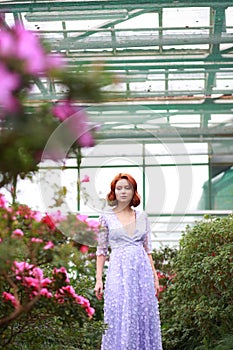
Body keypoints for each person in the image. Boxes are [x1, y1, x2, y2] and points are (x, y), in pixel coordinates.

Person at [94, 173, 163, 350]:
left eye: (127, 188)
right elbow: (101, 251)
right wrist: (98, 279)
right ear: (113, 192)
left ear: (134, 192)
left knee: (143, 316)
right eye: (119, 188)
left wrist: (155, 277)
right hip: (118, 272)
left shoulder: (142, 216)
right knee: (119, 315)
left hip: (142, 274)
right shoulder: (106, 217)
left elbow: (148, 250)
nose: (123, 191)